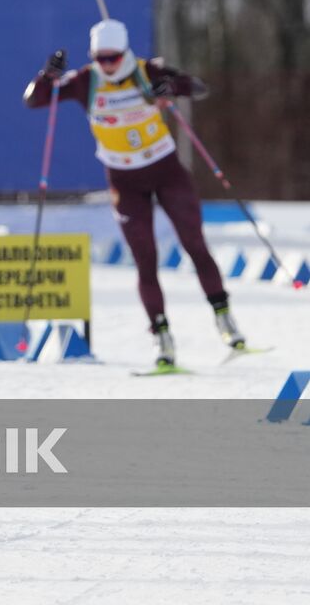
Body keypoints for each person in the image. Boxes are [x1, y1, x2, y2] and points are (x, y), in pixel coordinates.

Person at [25, 19, 248, 371]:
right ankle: (162, 338)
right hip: (123, 179)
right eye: (101, 58)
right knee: (145, 259)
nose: (107, 65)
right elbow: (35, 100)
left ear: (125, 53)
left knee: (194, 243)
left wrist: (169, 86)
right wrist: (47, 75)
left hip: (166, 170)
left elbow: (197, 87)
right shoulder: (86, 81)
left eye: (113, 58)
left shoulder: (146, 71)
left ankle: (224, 318)